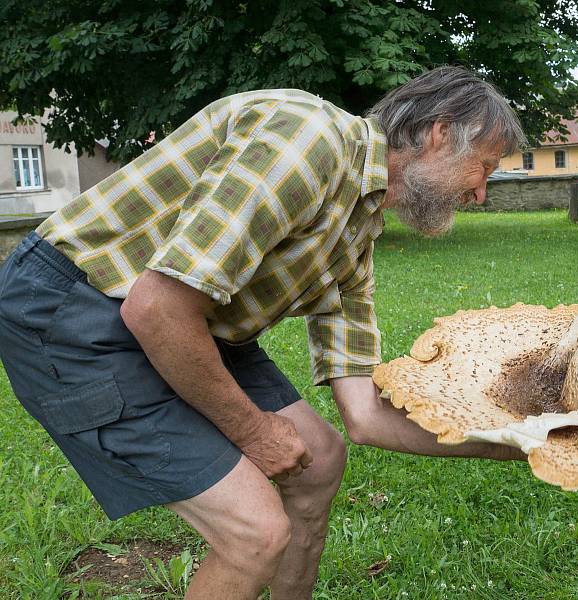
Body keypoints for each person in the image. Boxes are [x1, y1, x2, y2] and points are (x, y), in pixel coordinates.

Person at [0, 66, 526, 599]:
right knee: (254, 534)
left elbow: (364, 416)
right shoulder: (308, 139)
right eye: (483, 167)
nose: (480, 193)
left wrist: (515, 443)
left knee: (320, 460)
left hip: (188, 319)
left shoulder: (359, 231)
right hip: (71, 307)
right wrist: (254, 432)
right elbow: (156, 308)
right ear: (439, 135)